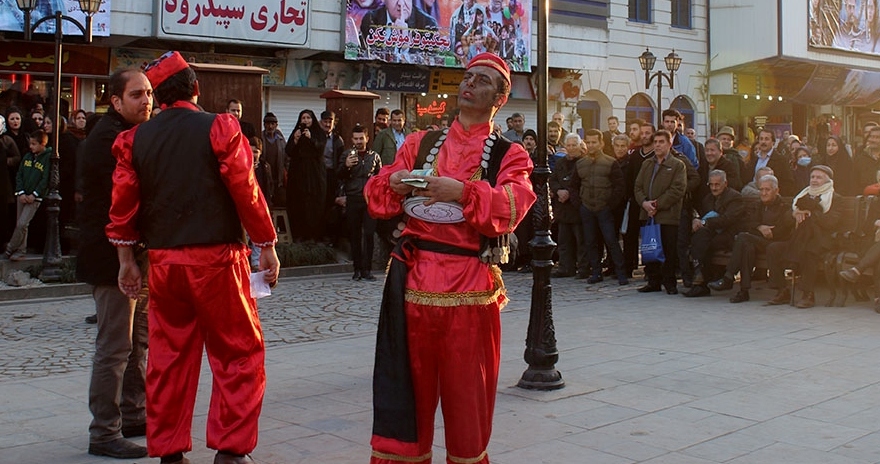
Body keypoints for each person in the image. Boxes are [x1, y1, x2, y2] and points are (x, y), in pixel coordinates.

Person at [105, 50, 280, 464]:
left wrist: (127, 263)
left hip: (165, 264)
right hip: (218, 260)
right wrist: (267, 244)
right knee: (239, 353)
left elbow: (122, 208)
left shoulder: (134, 140)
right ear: (196, 89)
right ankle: (231, 451)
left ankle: (168, 451)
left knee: (167, 357)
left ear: (158, 96)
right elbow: (246, 190)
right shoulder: (219, 127)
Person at [364, 52, 535, 464]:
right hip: (412, 282)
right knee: (406, 397)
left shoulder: (509, 155)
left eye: (481, 80)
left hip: (470, 289)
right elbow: (375, 195)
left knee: (468, 406)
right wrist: (398, 181)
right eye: (467, 77)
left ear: (501, 96)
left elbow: (512, 207)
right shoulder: (419, 142)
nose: (469, 84)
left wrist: (460, 192)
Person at [77, 68, 152, 460]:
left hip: (133, 255)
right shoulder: (109, 139)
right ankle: (103, 430)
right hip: (112, 260)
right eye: (137, 94)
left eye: (149, 93)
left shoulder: (129, 134)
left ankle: (134, 413)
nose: (146, 101)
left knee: (138, 340)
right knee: (114, 346)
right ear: (116, 101)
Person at [765, 165, 842, 308]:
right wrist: (794, 215)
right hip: (797, 239)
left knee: (809, 251)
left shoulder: (834, 198)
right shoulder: (802, 196)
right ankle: (782, 291)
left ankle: (808, 295)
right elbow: (785, 219)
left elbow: (832, 222)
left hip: (821, 240)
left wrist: (811, 214)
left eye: (819, 177)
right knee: (773, 248)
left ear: (827, 180)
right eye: (812, 177)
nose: (814, 180)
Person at [709, 174, 794, 303]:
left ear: (776, 191)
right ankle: (743, 291)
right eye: (761, 189)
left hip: (777, 242)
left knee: (743, 238)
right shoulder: (758, 205)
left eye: (767, 190)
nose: (763, 193)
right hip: (759, 241)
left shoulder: (784, 206)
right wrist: (760, 227)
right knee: (747, 246)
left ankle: (729, 278)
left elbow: (784, 228)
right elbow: (749, 224)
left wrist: (771, 231)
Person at [633, 129, 687, 294]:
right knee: (650, 248)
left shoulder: (678, 165)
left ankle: (669, 282)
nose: (657, 145)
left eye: (661, 142)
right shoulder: (647, 164)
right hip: (648, 214)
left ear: (670, 144)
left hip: (668, 215)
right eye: (655, 142)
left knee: (668, 250)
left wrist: (657, 205)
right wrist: (644, 203)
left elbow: (677, 190)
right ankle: (653, 281)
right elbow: (638, 186)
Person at [571, 129, 628, 285]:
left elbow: (619, 187)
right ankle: (596, 272)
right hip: (587, 208)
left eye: (594, 142)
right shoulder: (581, 164)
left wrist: (610, 205)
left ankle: (620, 272)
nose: (591, 145)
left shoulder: (611, 162)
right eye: (588, 142)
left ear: (601, 143)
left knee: (611, 241)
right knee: (590, 242)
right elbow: (573, 186)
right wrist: (580, 204)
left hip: (605, 209)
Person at [683, 170, 746, 298]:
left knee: (704, 241)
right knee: (700, 236)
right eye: (711, 185)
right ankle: (700, 278)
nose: (714, 188)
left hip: (730, 234)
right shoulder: (708, 198)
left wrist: (705, 222)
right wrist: (696, 218)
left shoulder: (735, 197)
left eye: (717, 185)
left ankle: (700, 280)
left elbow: (727, 220)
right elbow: (701, 214)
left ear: (725, 183)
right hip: (712, 233)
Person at [339, 124, 382, 281]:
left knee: (369, 234)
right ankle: (357, 269)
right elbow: (339, 175)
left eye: (361, 138)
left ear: (367, 138)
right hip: (353, 198)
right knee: (355, 235)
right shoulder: (346, 155)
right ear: (352, 139)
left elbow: (380, 178)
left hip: (370, 199)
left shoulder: (374, 156)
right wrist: (346, 166)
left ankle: (367, 270)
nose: (358, 141)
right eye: (355, 139)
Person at [6, 129, 51, 260]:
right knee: (21, 224)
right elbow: (19, 174)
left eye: (34, 144)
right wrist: (21, 192)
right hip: (22, 194)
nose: (31, 146)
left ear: (42, 144)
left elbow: (45, 179)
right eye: (30, 143)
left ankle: (11, 247)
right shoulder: (27, 156)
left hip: (35, 197)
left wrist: (35, 193)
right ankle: (21, 250)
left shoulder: (47, 158)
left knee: (22, 223)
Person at [549, 133, 587, 279]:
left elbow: (583, 182)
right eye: (568, 145)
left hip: (577, 207)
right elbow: (553, 180)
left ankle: (583, 267)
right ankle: (566, 267)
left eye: (573, 145)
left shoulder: (584, 162)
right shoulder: (560, 163)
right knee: (564, 241)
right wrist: (559, 190)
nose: (571, 148)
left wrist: (569, 192)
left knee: (581, 241)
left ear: (579, 146)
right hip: (563, 208)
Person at [286, 109, 327, 242]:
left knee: (313, 205)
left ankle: (313, 236)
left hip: (314, 175)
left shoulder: (318, 133)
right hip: (298, 175)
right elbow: (289, 151)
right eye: (303, 118)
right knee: (298, 204)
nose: (305, 121)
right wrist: (296, 139)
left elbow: (320, 149)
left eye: (308, 118)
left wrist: (311, 138)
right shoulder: (296, 132)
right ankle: (299, 235)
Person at [747, 128, 796, 196]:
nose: (763, 142)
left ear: (773, 142)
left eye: (766, 139)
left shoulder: (781, 160)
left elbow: (788, 183)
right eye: (761, 139)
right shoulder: (754, 160)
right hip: (753, 198)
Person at [260, 112, 286, 207]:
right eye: (267, 124)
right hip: (264, 177)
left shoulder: (281, 140)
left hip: (278, 177)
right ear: (264, 125)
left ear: (276, 125)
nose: (270, 126)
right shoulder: (261, 138)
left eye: (272, 124)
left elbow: (286, 157)